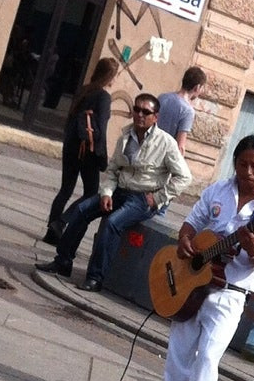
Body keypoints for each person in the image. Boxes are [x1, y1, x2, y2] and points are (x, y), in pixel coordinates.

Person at [153, 134, 254, 381]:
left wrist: (253, 249)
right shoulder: (218, 191)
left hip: (230, 293)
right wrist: (186, 241)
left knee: (208, 358)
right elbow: (192, 222)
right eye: (243, 165)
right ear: (235, 163)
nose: (249, 172)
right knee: (179, 352)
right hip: (191, 284)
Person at [41, 92, 191, 291]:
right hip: (119, 191)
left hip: (142, 199)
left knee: (112, 224)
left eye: (146, 112)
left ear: (156, 117)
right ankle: (63, 262)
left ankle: (95, 278)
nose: (140, 115)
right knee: (81, 210)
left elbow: (185, 177)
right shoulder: (126, 136)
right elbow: (113, 170)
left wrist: (158, 197)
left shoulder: (166, 143)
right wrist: (107, 193)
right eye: (137, 109)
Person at [44, 56, 118, 242]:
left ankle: (51, 233)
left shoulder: (83, 91)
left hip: (71, 146)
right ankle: (61, 222)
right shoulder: (103, 97)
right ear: (110, 77)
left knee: (65, 190)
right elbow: (100, 129)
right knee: (92, 192)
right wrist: (102, 156)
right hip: (89, 151)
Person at [156, 65, 204, 156]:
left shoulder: (162, 97)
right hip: (162, 158)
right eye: (201, 88)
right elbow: (180, 146)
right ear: (197, 87)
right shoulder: (188, 111)